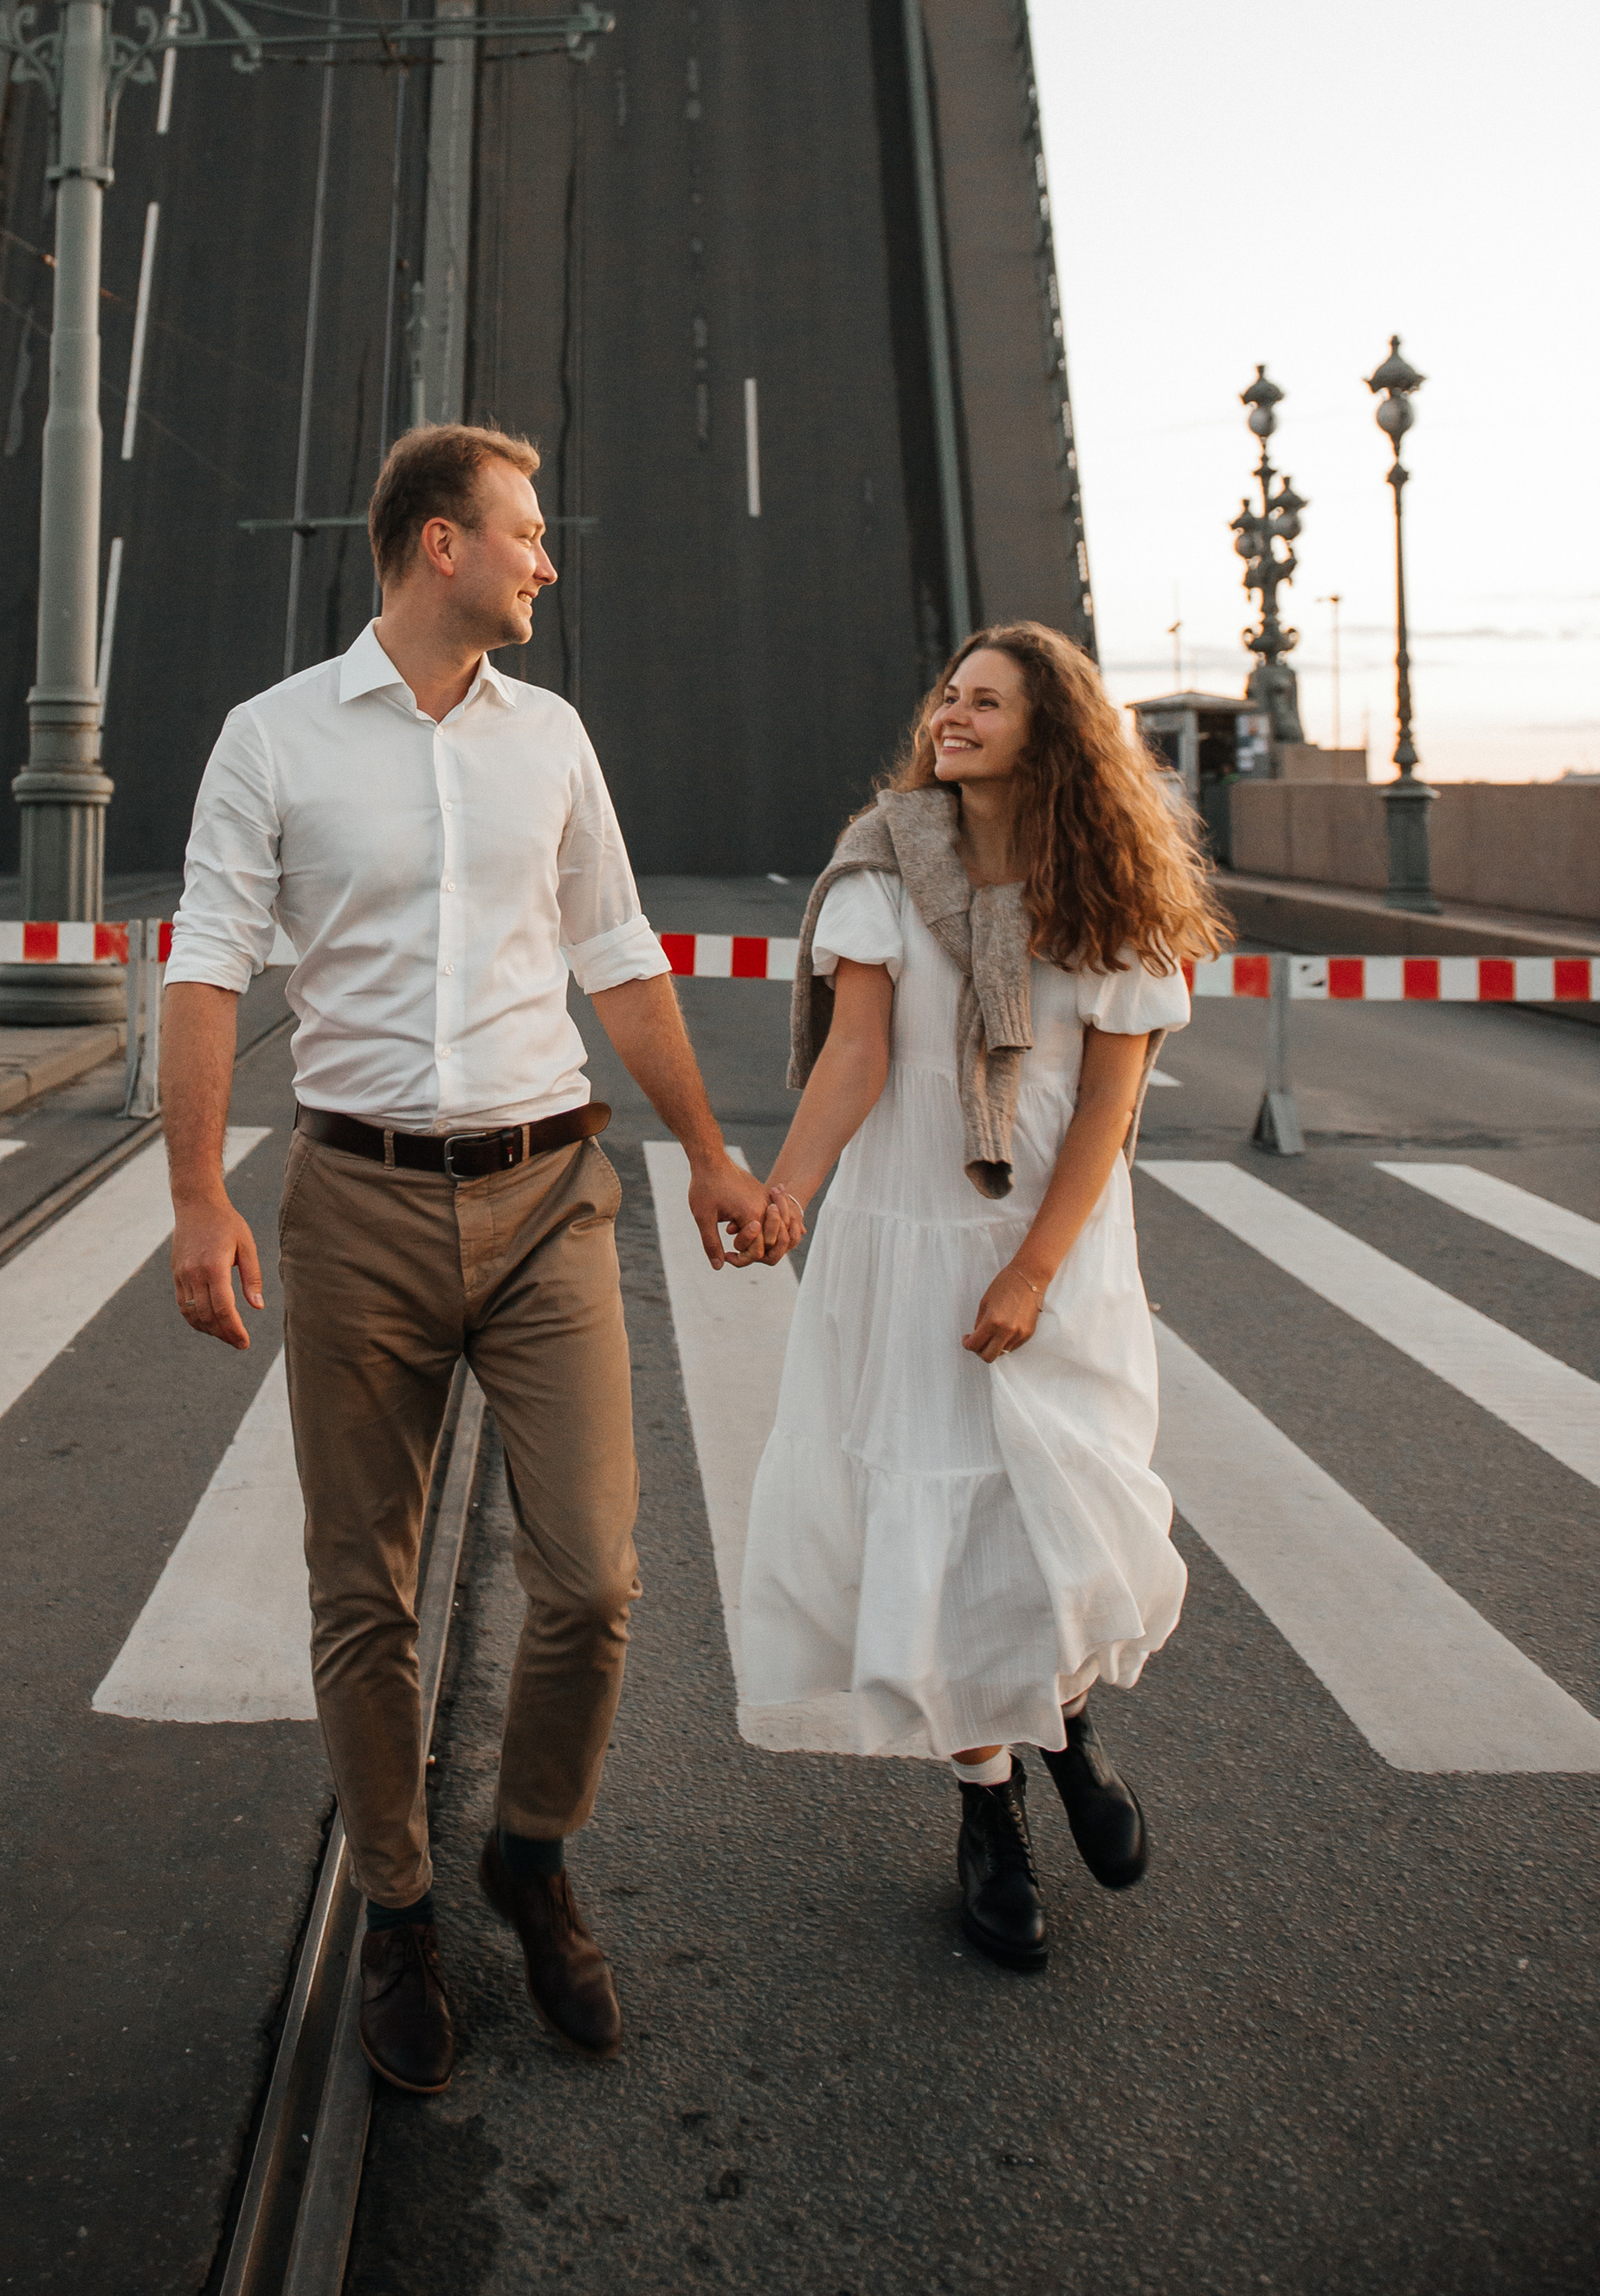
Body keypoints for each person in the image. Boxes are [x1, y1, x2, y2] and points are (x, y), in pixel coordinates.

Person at [162, 422, 775, 2093]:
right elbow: (208, 963)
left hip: (546, 1189)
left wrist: (711, 1151)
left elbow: (619, 954)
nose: (544, 562)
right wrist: (198, 1191)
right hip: (353, 1202)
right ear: (441, 544)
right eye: (525, 533)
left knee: (594, 1575)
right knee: (363, 1588)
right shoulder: (273, 738)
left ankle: (530, 1847)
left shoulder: (552, 739)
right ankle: (403, 1908)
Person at [739, 621, 1226, 1970]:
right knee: (931, 1522)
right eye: (947, 694)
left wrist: (1031, 1267)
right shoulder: (883, 865)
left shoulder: (1114, 892)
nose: (952, 715)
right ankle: (988, 1810)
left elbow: (1106, 1114)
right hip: (908, 1237)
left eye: (987, 701)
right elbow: (854, 1057)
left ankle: (1065, 1730)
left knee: (1057, 1514)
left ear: (1051, 730)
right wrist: (785, 1190)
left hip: (1050, 1246)